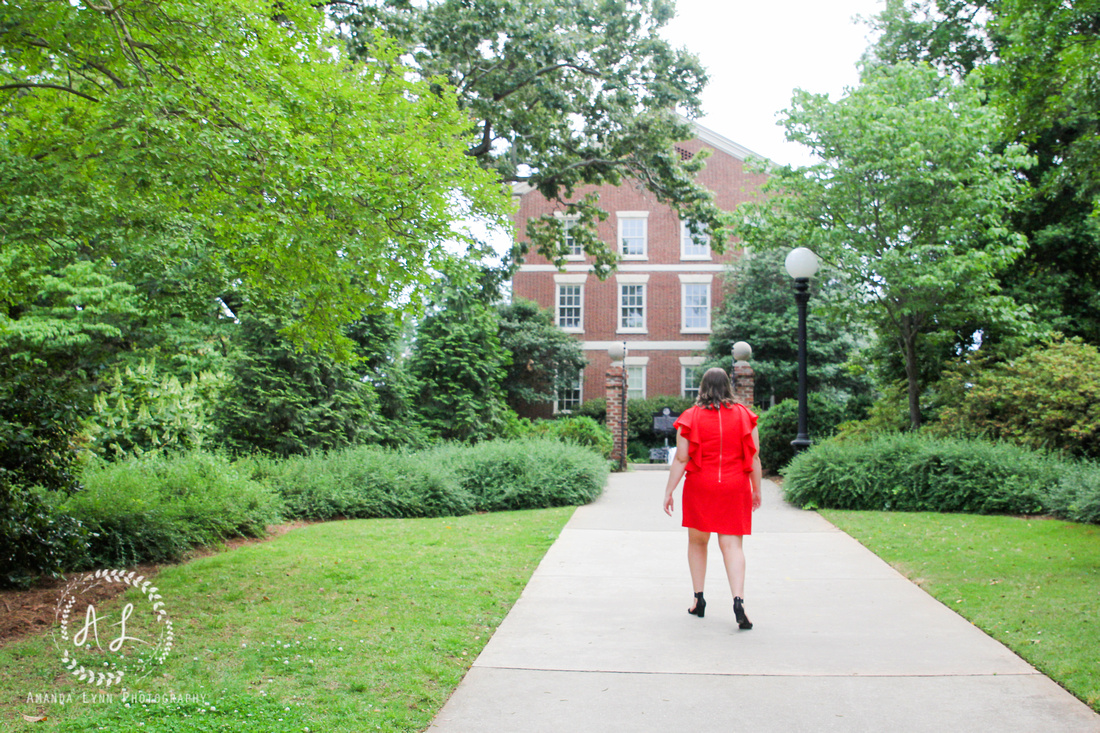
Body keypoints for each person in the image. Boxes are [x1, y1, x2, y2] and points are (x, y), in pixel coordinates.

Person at [663, 367, 762, 629]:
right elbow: (753, 456)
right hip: (734, 485)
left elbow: (682, 458)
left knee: (697, 542)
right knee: (733, 546)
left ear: (702, 387)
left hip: (701, 485)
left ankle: (699, 599)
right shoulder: (744, 415)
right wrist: (757, 490)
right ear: (728, 386)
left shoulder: (690, 417)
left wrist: (669, 490)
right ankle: (738, 601)